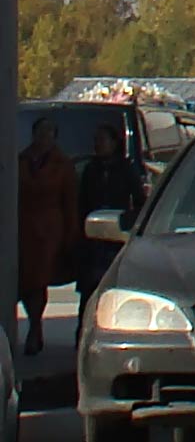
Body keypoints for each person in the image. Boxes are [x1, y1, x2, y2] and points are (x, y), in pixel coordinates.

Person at [19, 118, 80, 360]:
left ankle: (35, 328)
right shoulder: (21, 160)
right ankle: (34, 325)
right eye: (41, 132)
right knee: (23, 280)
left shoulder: (63, 165)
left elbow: (70, 202)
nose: (45, 137)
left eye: (50, 133)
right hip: (23, 228)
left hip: (49, 230)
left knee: (39, 280)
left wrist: (71, 234)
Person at [72, 115, 139, 300]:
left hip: (116, 235)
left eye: (102, 140)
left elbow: (139, 199)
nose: (98, 144)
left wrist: (128, 222)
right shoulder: (90, 169)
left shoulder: (126, 169)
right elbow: (82, 201)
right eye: (96, 140)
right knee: (89, 292)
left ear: (114, 143)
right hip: (91, 239)